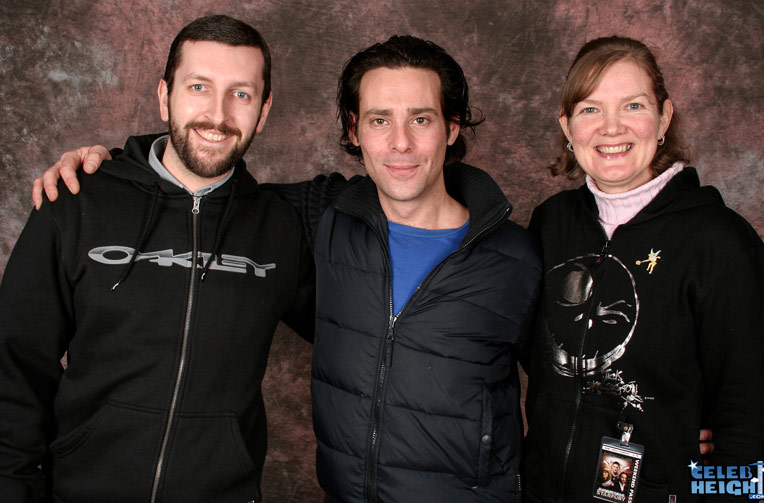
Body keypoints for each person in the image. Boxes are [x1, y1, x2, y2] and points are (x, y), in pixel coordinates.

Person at [33, 35, 542, 502]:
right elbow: (199, 187)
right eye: (380, 119)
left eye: (422, 119)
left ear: (452, 128)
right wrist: (117, 169)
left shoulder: (515, 256)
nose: (401, 143)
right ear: (354, 130)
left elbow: (563, 396)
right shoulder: (319, 217)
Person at [0, 15, 315, 502]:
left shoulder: (281, 228)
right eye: (198, 86)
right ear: (165, 95)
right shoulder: (79, 201)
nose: (218, 114)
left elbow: (364, 334)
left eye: (242, 94)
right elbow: (14, 367)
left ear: (265, 108)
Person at [522, 36, 764, 502]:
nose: (611, 128)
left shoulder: (721, 242)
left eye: (633, 105)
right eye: (590, 109)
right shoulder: (550, 222)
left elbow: (746, 422)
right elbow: (530, 351)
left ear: (664, 117)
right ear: (567, 126)